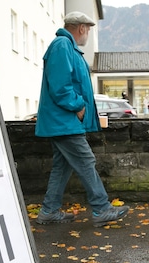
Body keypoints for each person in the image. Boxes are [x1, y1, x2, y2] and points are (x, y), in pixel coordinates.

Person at [35, 11, 129, 227]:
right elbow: (60, 86)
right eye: (88, 29)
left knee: (63, 166)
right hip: (64, 120)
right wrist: (78, 105)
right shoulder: (62, 46)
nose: (87, 33)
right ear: (81, 28)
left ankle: (49, 211)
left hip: (63, 121)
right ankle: (101, 209)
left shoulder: (66, 47)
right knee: (86, 161)